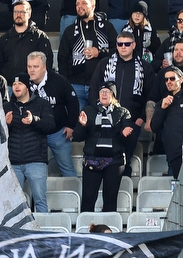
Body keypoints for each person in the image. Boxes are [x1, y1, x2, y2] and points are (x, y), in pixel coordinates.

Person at [88, 30, 153, 174]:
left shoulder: (144, 67)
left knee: (124, 159)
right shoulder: (104, 64)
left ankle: (124, 188)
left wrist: (142, 117)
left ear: (134, 45)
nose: (123, 46)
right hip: (105, 118)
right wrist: (96, 110)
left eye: (127, 44)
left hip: (131, 120)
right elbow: (94, 88)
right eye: (120, 44)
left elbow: (150, 94)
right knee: (105, 157)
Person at [74, 82, 135, 212]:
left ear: (113, 95)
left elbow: (129, 141)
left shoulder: (122, 112)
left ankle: (109, 229)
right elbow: (78, 137)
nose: (104, 94)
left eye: (108, 92)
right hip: (92, 159)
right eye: (102, 92)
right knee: (88, 199)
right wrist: (82, 125)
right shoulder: (88, 111)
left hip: (114, 161)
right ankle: (86, 229)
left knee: (110, 199)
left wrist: (124, 134)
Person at [4, 75, 56, 213]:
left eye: (20, 83)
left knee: (40, 200)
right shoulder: (6, 107)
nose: (16, 86)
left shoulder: (42, 104)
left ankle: (43, 233)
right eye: (14, 84)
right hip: (13, 162)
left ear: (27, 87)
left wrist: (34, 120)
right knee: (14, 203)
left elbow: (51, 126)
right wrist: (6, 125)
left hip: (36, 160)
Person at [57, 0, 118, 109]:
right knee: (80, 121)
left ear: (93, 5)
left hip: (100, 84)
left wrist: (99, 52)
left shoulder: (106, 27)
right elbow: (62, 59)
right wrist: (66, 83)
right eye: (77, 4)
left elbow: (118, 50)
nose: (80, 6)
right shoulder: (70, 30)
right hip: (76, 85)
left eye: (84, 3)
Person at [27, 51, 80, 179]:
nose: (32, 70)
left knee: (67, 168)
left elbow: (73, 102)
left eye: (36, 67)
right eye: (29, 66)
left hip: (58, 133)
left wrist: (71, 125)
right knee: (33, 171)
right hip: (34, 134)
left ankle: (74, 197)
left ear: (44, 67)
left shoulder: (59, 81)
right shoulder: (24, 82)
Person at [0, 0, 54, 83]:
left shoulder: (40, 37)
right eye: (16, 12)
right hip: (9, 87)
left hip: (32, 87)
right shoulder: (4, 39)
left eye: (22, 12)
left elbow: (47, 62)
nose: (18, 15)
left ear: (29, 14)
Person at [150, 67, 183, 178]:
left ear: (181, 80)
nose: (169, 82)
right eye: (166, 79)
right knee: (177, 190)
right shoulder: (163, 102)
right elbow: (154, 127)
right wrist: (162, 108)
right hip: (174, 154)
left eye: (172, 78)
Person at [124, 1, 160, 66]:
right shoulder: (125, 30)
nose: (137, 16)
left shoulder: (150, 29)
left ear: (144, 16)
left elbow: (158, 49)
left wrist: (150, 45)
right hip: (130, 64)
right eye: (135, 12)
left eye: (140, 13)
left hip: (148, 64)